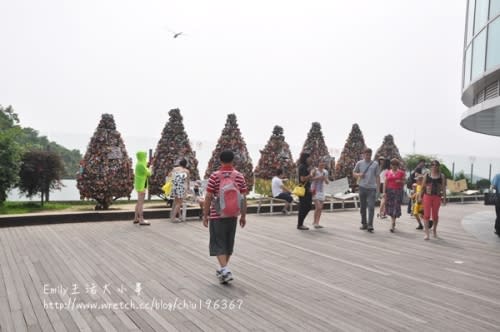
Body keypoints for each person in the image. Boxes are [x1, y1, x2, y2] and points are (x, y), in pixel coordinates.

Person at [203, 150, 247, 284]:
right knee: (228, 243)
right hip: (233, 214)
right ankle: (223, 270)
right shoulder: (239, 176)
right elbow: (243, 198)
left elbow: (209, 197)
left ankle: (225, 269)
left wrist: (205, 215)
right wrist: (243, 216)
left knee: (218, 243)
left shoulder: (215, 176)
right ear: (233, 160)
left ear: (220, 161)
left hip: (217, 215)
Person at [353, 148, 380, 232]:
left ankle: (370, 225)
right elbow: (353, 173)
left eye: (369, 155)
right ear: (363, 155)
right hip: (362, 187)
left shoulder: (375, 164)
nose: (368, 156)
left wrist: (378, 190)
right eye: (366, 154)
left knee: (371, 207)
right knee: (363, 207)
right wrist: (359, 174)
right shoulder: (359, 163)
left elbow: (377, 176)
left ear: (371, 155)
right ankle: (364, 223)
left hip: (372, 188)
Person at [418, 160, 446, 240]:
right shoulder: (427, 175)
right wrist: (420, 196)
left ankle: (434, 230)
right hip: (427, 196)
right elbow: (422, 187)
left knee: (435, 216)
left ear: (438, 166)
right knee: (426, 215)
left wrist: (444, 198)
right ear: (430, 166)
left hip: (437, 197)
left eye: (436, 165)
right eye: (432, 165)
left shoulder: (442, 176)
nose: (434, 166)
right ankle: (427, 233)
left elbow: (443, 188)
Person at [383, 158, 406, 233]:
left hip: (398, 191)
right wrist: (384, 192)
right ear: (391, 165)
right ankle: (393, 221)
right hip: (389, 191)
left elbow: (405, 181)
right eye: (393, 164)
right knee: (390, 206)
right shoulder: (388, 172)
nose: (394, 166)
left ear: (398, 165)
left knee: (396, 206)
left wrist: (400, 181)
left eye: (396, 164)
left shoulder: (401, 173)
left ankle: (392, 223)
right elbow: (385, 183)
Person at [169, 158, 190, 223]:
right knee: (179, 203)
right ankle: (173, 218)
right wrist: (187, 190)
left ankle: (176, 216)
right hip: (181, 187)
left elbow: (170, 176)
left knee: (175, 202)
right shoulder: (186, 171)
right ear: (185, 164)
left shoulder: (175, 169)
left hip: (174, 186)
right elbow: (187, 182)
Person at [310, 159, 329, 228]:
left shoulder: (325, 171)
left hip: (322, 190)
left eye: (323, 164)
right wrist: (318, 177)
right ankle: (314, 222)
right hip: (314, 190)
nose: (322, 165)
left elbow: (327, 182)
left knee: (320, 208)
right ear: (318, 164)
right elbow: (311, 179)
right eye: (321, 164)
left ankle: (317, 222)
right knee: (318, 207)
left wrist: (324, 179)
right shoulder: (314, 170)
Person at [133, 151, 151, 226]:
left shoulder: (138, 163)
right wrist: (150, 168)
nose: (145, 157)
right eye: (145, 156)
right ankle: (141, 220)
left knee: (138, 202)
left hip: (139, 185)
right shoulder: (141, 165)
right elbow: (149, 173)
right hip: (142, 186)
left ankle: (136, 218)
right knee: (141, 203)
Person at [297, 152, 313, 230]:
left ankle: (300, 223)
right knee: (304, 207)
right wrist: (311, 175)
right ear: (305, 158)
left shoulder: (307, 167)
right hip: (303, 189)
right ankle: (300, 224)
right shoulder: (302, 167)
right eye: (309, 157)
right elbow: (302, 179)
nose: (311, 159)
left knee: (308, 206)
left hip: (307, 189)